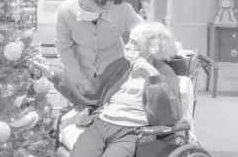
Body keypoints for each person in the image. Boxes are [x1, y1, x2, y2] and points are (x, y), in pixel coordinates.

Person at [35, 22, 181, 157]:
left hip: (131, 131)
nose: (127, 46)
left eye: (134, 43)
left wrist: (154, 78)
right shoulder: (123, 65)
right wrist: (52, 75)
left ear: (151, 48)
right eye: (129, 40)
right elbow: (90, 89)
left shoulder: (163, 72)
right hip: (102, 124)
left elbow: (168, 114)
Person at [56, 0, 144, 89]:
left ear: (105, 6)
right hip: (80, 69)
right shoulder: (66, 10)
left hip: (113, 72)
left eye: (87, 8)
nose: (81, 9)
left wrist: (134, 55)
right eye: (80, 3)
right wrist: (79, 80)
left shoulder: (122, 10)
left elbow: (142, 32)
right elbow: (64, 47)